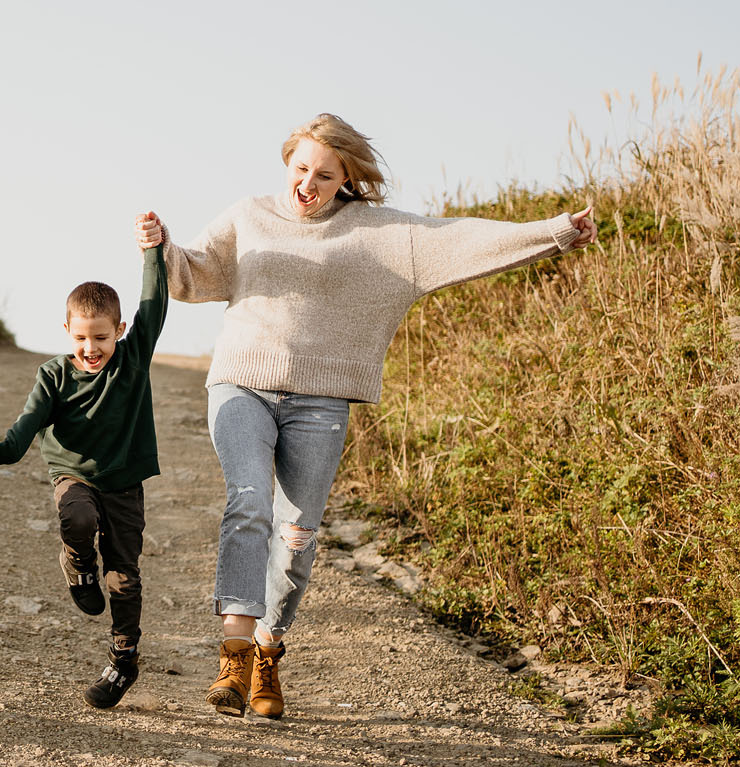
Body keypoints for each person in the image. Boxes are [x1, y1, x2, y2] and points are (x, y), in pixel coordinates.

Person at [142, 113, 597, 720]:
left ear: (347, 179)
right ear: (287, 163)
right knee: (248, 501)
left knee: (298, 536)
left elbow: (459, 240)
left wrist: (556, 232)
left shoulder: (380, 233)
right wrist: (162, 244)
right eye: (300, 168)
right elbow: (194, 275)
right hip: (240, 385)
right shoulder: (248, 215)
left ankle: (269, 649)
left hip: (321, 401)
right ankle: (234, 653)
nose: (308, 184)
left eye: (324, 175)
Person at [0, 220, 168, 709]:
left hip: (123, 484)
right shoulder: (54, 374)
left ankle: (123, 660)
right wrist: (0, 451)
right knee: (77, 518)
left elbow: (153, 304)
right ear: (66, 331)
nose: (91, 348)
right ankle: (78, 564)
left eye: (101, 337)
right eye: (81, 338)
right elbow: (28, 422)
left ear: (119, 331)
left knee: (123, 577)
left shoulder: (133, 357)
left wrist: (152, 253)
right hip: (73, 477)